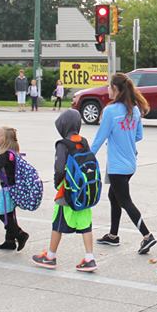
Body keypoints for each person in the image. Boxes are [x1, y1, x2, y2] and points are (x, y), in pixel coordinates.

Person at [94, 73, 157, 254]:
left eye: (109, 86)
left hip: (117, 166)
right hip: (130, 164)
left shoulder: (110, 111)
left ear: (116, 89)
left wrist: (85, 156)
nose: (107, 89)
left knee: (125, 201)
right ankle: (113, 236)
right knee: (114, 196)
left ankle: (147, 236)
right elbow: (139, 136)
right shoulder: (134, 109)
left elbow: (100, 138)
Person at [32, 109, 98, 272]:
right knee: (85, 225)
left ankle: (50, 256)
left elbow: (59, 168)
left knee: (58, 224)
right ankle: (89, 258)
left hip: (67, 191)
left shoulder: (62, 144)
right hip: (83, 192)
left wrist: (57, 183)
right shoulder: (83, 141)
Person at [0, 126, 31, 251]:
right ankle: (9, 241)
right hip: (14, 188)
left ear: (6, 140)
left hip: (8, 189)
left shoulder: (4, 155)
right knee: (9, 214)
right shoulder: (13, 153)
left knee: (3, 214)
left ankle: (20, 234)